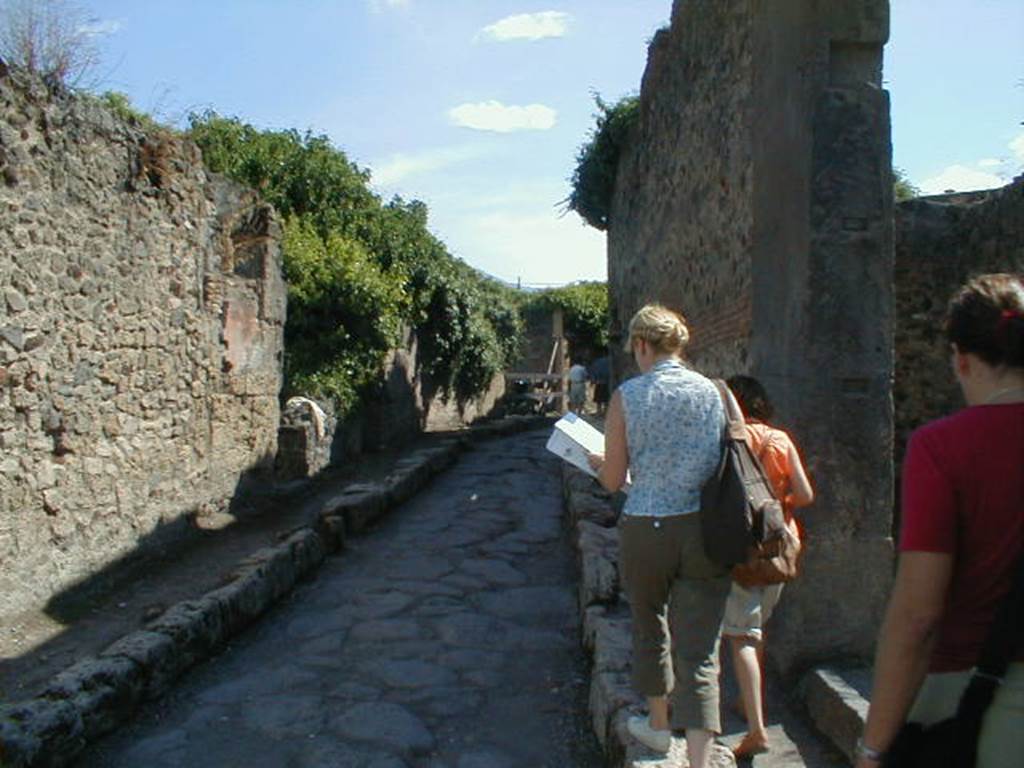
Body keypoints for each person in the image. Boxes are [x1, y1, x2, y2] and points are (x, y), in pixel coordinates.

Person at [856, 273, 1024, 768]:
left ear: (962, 358)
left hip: (979, 702)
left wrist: (872, 748)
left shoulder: (943, 447)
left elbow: (917, 616)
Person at [586, 304, 730, 768]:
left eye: (635, 349)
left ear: (643, 344)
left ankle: (658, 726)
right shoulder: (712, 392)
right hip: (702, 527)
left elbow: (612, 481)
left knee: (650, 626)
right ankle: (702, 759)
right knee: (702, 645)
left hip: (647, 525)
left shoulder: (629, 395)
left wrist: (593, 462)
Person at [720, 375, 814, 758]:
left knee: (742, 635)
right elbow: (806, 495)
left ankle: (757, 730)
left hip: (743, 549)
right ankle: (749, 702)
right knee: (756, 627)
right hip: (782, 544)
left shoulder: (731, 441)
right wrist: (778, 503)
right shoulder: (780, 439)